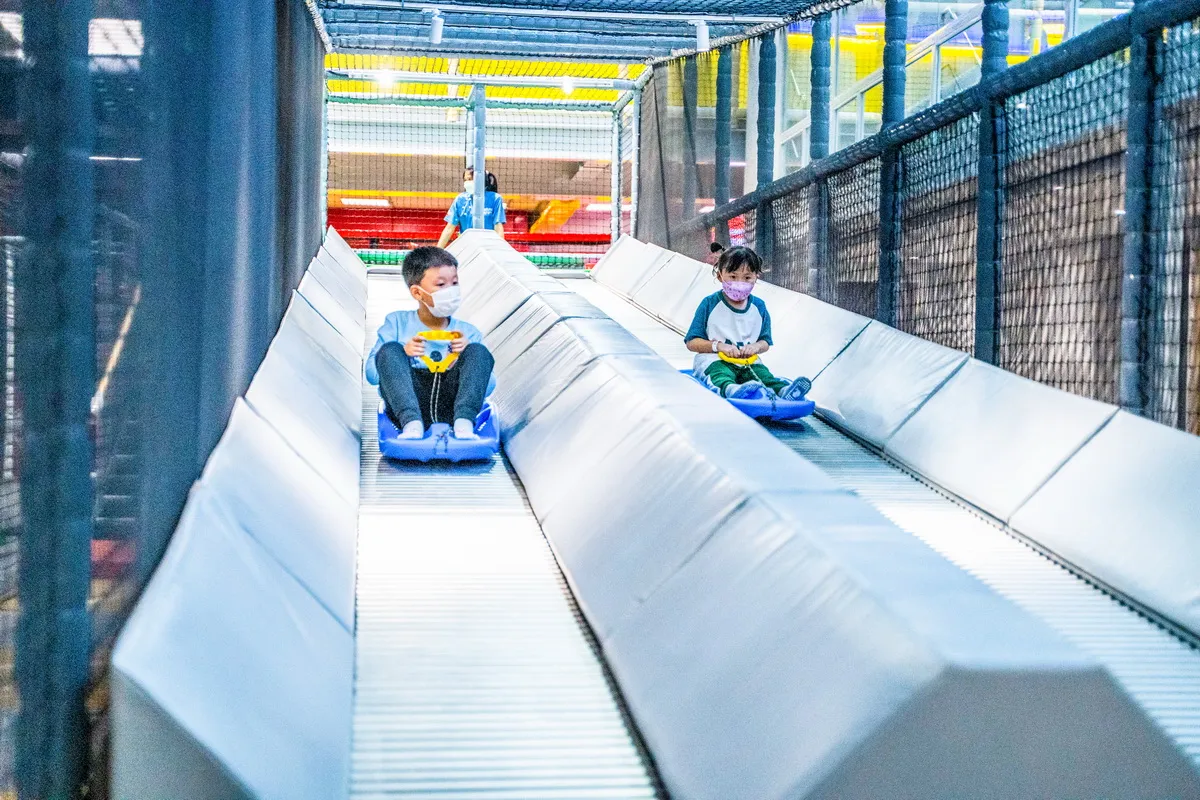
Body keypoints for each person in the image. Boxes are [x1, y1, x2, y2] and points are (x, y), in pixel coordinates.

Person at [366, 246, 495, 440]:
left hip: (452, 406)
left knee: (478, 351)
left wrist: (463, 361)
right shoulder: (397, 323)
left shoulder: (467, 332)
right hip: (409, 404)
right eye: (441, 285)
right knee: (389, 350)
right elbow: (372, 375)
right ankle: (412, 425)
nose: (450, 291)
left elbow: (490, 386)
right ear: (418, 293)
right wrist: (404, 353)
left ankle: (464, 425)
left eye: (454, 283)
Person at [684, 245, 811, 401]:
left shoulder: (759, 307)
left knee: (763, 375)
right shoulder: (710, 304)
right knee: (719, 374)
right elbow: (692, 342)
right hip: (715, 359)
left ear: (756, 278)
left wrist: (755, 347)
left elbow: (765, 341)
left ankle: (784, 391)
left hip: (748, 361)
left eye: (747, 278)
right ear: (720, 276)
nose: (740, 282)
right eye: (733, 276)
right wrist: (719, 346)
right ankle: (731, 389)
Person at [437, 168, 506, 247]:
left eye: (470, 179)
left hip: (488, 246)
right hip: (467, 246)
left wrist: (500, 248)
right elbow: (449, 228)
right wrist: (437, 252)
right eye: (465, 180)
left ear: (480, 179)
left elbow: (498, 227)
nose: (467, 183)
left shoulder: (495, 198)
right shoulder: (460, 199)